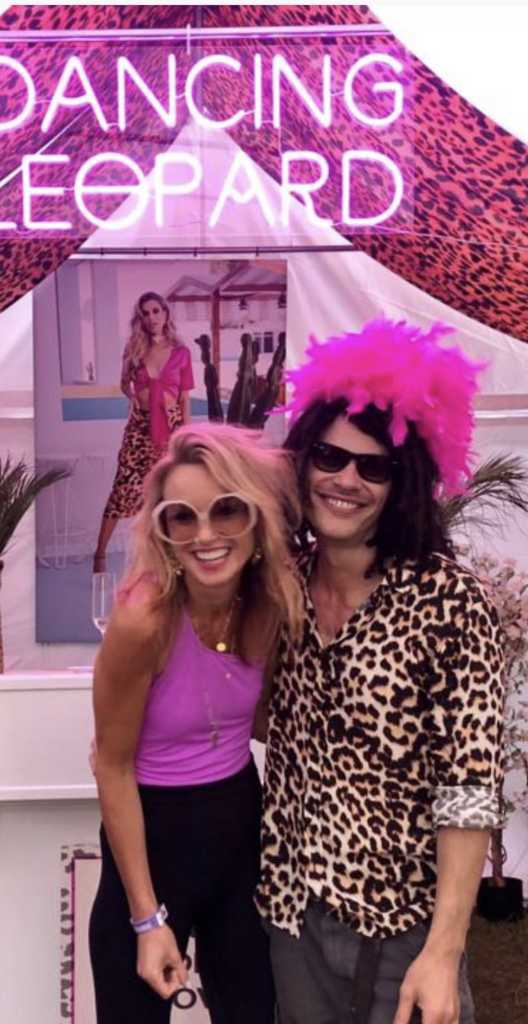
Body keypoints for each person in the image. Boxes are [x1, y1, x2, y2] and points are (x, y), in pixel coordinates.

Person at [256, 318, 505, 1024]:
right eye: (330, 458)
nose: (346, 480)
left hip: (404, 930)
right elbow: (260, 715)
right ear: (302, 461)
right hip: (292, 915)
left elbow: (470, 789)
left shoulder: (449, 602)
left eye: (374, 466)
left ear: (405, 483)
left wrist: (445, 950)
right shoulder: (285, 588)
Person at [89, 422, 303, 1024]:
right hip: (153, 838)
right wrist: (146, 917)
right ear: (163, 531)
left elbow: (263, 722)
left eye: (228, 510)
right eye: (183, 517)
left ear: (256, 519)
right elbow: (111, 764)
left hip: (239, 826)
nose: (207, 535)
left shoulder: (271, 604)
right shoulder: (143, 621)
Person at [93, 292, 194, 572]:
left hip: (170, 427)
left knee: (165, 492)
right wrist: (138, 400)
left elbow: (185, 400)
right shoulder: (135, 348)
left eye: (156, 311)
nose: (151, 318)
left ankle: (164, 557)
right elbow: (125, 384)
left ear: (165, 313)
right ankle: (99, 554)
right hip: (139, 429)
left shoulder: (181, 352)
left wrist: (184, 437)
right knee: (122, 488)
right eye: (146, 313)